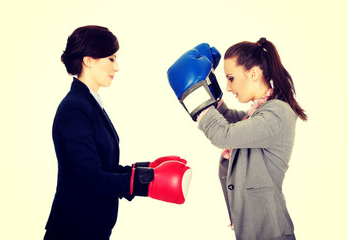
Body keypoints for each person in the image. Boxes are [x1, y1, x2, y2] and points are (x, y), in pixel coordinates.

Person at [44, 25, 192, 240]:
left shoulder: (89, 103)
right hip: (74, 228)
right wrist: (147, 181)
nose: (117, 67)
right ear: (89, 61)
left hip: (92, 228)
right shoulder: (74, 108)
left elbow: (104, 167)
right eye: (111, 59)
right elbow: (90, 177)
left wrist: (148, 168)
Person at [168, 38, 307, 240]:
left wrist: (196, 93)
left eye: (231, 78)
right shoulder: (260, 113)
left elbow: (224, 135)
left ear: (253, 73)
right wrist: (209, 86)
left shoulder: (277, 113)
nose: (228, 87)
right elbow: (231, 121)